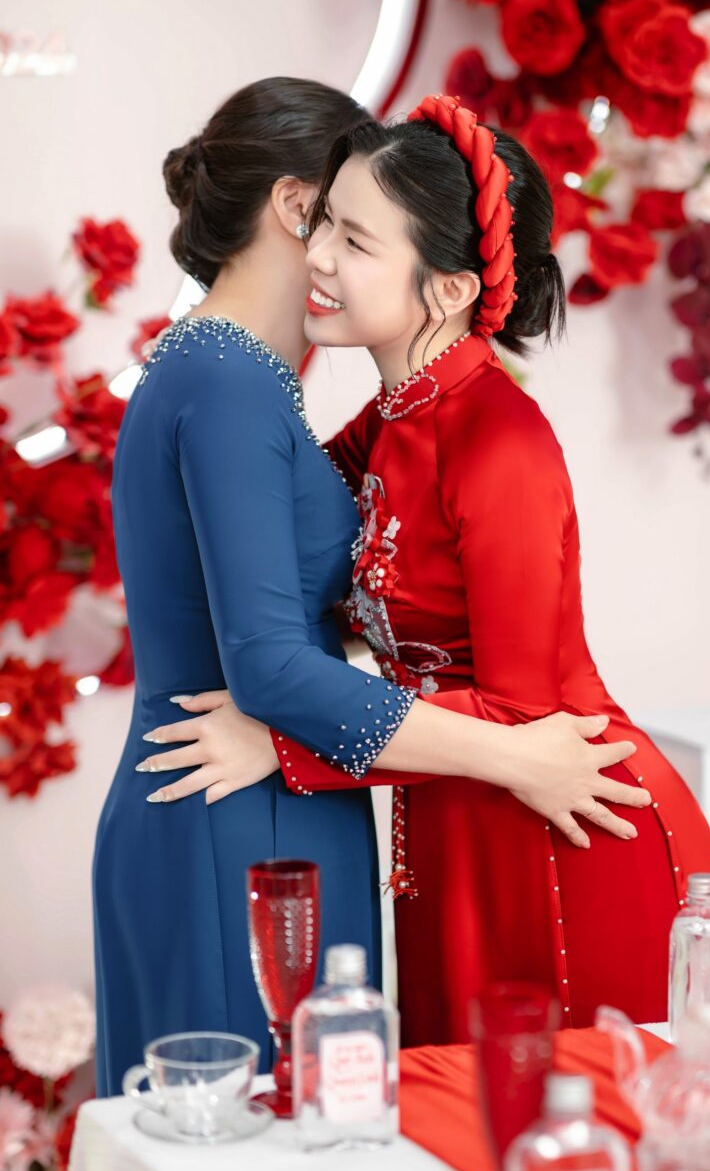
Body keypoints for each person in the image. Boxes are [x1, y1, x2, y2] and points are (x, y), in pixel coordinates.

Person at [92, 78, 647, 1095]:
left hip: (265, 798)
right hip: (245, 818)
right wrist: (515, 753)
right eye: (338, 222)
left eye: (365, 235)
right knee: (258, 1144)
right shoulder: (230, 381)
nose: (334, 257)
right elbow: (269, 665)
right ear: (298, 206)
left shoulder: (239, 376)